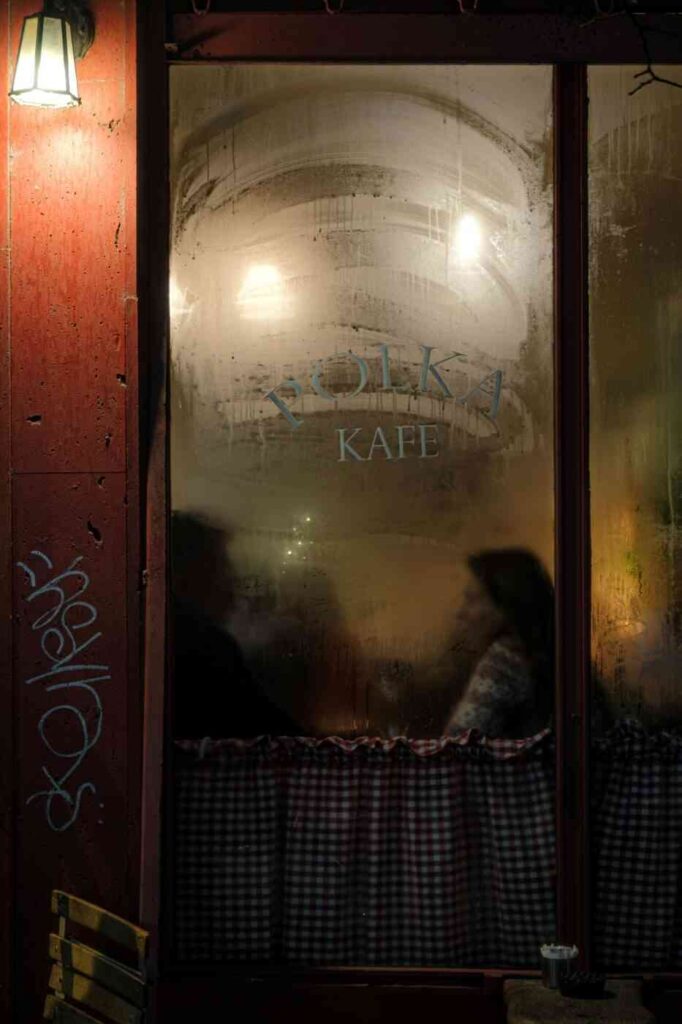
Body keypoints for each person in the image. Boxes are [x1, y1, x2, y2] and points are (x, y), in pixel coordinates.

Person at [444, 548, 554, 739]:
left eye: (472, 599)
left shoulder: (504, 660)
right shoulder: (554, 654)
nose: (461, 613)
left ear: (506, 605)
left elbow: (456, 747)